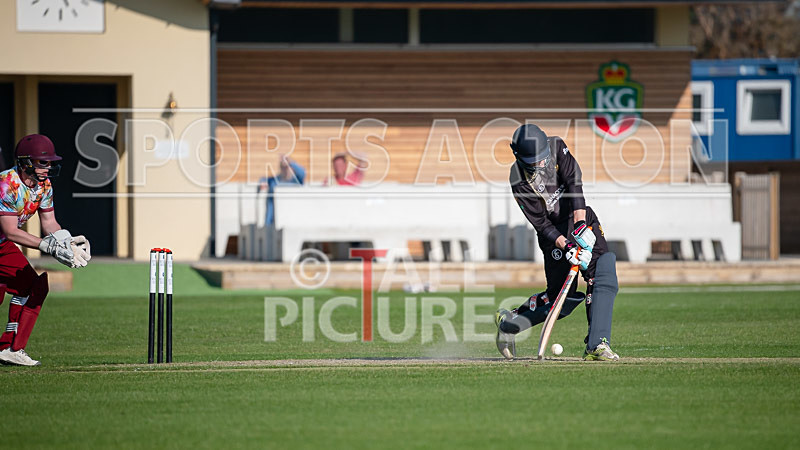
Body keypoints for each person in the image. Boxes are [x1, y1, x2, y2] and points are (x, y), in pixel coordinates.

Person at [495, 124, 620, 361]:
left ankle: (597, 344)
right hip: (555, 236)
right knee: (561, 301)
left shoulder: (556, 147)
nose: (541, 165)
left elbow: (574, 183)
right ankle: (510, 323)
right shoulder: (518, 180)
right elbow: (541, 224)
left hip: (580, 217)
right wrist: (568, 246)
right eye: (534, 162)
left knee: (602, 271)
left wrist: (581, 225)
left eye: (542, 159)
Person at [0, 134, 91, 366]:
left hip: (2, 245)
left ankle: (10, 348)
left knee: (35, 286)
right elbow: (11, 231)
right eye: (43, 163)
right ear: (25, 162)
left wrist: (66, 243)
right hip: (5, 239)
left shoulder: (44, 186)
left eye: (50, 163)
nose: (48, 168)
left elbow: (49, 223)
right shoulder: (6, 184)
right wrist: (46, 246)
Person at [257, 154, 305, 225]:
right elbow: (263, 180)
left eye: (287, 167)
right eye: (283, 167)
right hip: (275, 222)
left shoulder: (296, 181)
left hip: (293, 220)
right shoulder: (275, 181)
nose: (285, 170)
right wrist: (262, 183)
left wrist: (290, 162)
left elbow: (303, 173)